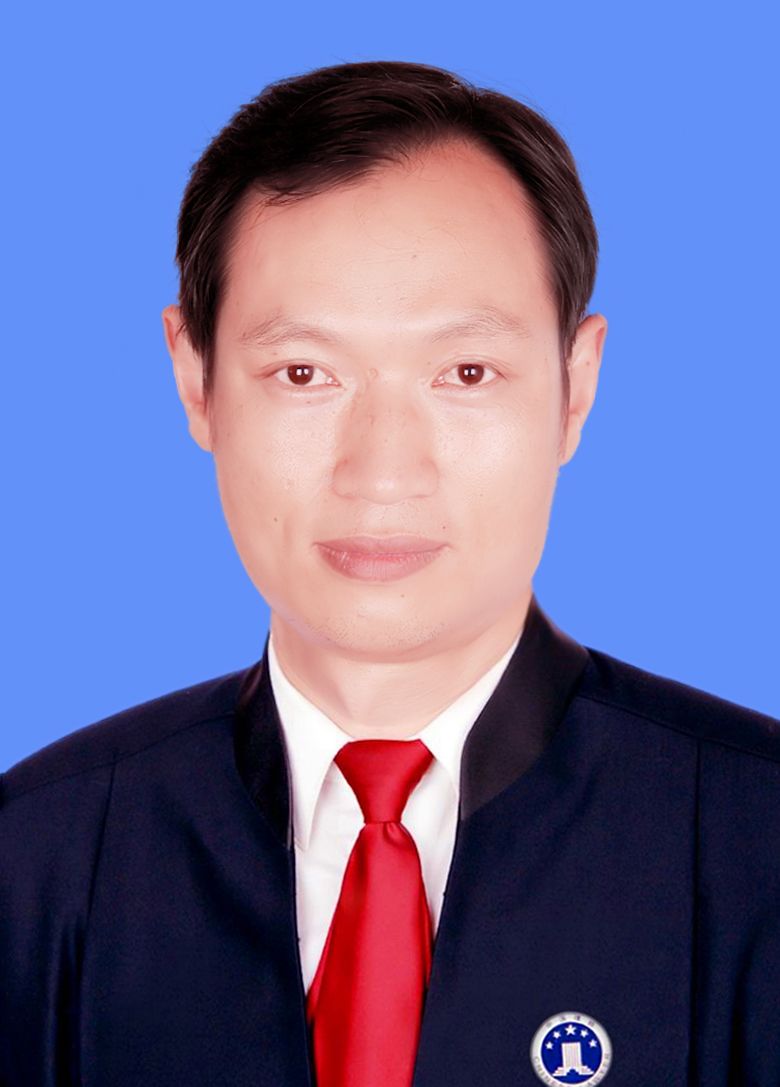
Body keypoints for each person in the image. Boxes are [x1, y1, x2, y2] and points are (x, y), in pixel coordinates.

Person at [1, 59, 778, 1087]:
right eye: (304, 373)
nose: (381, 470)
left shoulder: (755, 841)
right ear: (195, 381)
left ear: (575, 386)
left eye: (466, 373)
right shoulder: (40, 860)